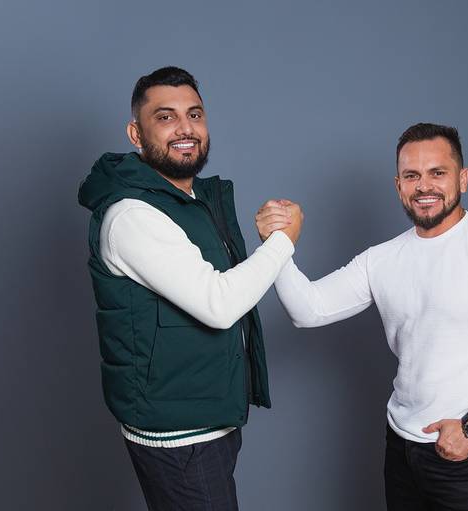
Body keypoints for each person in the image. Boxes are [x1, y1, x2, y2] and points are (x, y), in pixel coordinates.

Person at [262, 123, 468, 510]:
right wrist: (277, 245)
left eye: (438, 172)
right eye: (411, 176)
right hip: (402, 447)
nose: (424, 186)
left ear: (463, 178)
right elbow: (309, 310)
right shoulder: (382, 259)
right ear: (399, 185)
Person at [78, 66, 302, 511]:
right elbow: (219, 303)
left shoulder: (193, 200)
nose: (185, 128)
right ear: (136, 134)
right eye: (165, 117)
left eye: (194, 115)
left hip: (205, 417)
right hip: (181, 435)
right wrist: (282, 242)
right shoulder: (133, 215)